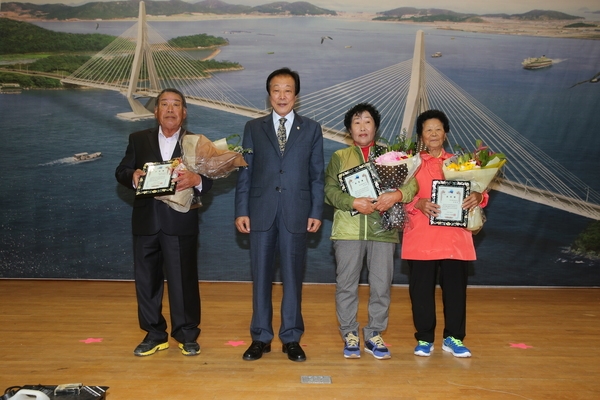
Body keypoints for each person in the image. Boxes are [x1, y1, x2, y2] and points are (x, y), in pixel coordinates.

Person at [235, 67, 325, 362]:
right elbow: (244, 174)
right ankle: (260, 337)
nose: (282, 95)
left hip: (297, 212)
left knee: (292, 277)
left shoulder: (311, 128)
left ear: (296, 95)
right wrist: (241, 210)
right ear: (268, 94)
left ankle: (291, 337)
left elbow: (316, 176)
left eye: (288, 89)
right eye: (276, 89)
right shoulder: (253, 127)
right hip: (260, 212)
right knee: (260, 277)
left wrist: (316, 210)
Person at [115, 88, 213, 357]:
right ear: (156, 111)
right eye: (165, 105)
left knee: (184, 281)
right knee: (146, 282)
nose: (170, 110)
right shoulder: (138, 139)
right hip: (146, 222)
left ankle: (186, 334)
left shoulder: (196, 141)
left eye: (176, 105)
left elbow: (211, 177)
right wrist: (133, 176)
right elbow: (121, 170)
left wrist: (198, 180)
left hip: (180, 221)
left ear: (184, 112)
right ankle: (154, 334)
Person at [324, 103, 417, 359]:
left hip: (383, 230)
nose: (362, 127)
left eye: (367, 121)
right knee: (346, 285)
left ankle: (375, 333)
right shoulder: (340, 158)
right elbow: (329, 191)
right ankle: (350, 333)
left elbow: (413, 186)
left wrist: (397, 194)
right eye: (356, 122)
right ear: (349, 130)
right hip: (348, 231)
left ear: (375, 126)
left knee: (381, 286)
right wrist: (352, 202)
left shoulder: (393, 156)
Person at [402, 109, 488, 358]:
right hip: (421, 235)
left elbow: (482, 193)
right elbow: (399, 196)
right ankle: (425, 338)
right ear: (421, 135)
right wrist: (417, 203)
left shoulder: (461, 164)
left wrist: (478, 196)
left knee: (455, 291)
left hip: (454, 239)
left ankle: (454, 338)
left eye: (438, 129)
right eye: (428, 129)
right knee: (421, 291)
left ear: (446, 134)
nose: (433, 134)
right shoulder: (410, 163)